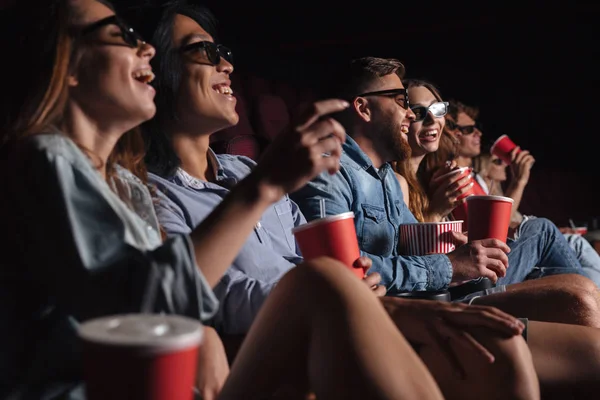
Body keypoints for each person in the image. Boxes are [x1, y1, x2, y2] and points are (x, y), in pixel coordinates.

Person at [0, 2, 469, 399]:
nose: (141, 46)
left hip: (211, 361)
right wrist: (265, 188)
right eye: (119, 35)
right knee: (325, 286)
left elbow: (157, 294)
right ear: (67, 63)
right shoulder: (50, 157)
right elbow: (137, 313)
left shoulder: (121, 184)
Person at [131, 4, 547, 399]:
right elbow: (210, 296)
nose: (227, 64)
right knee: (504, 347)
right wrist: (356, 293)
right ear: (155, 70)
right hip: (296, 339)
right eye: (205, 52)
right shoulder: (151, 190)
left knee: (548, 308)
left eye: (224, 51)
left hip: (359, 310)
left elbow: (325, 258)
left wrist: (362, 280)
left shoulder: (245, 170)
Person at [473, 150, 600, 287]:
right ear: (483, 168)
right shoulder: (479, 194)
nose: (505, 164)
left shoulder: (498, 191)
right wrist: (519, 181)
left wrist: (558, 232)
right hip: (508, 256)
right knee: (557, 235)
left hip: (522, 250)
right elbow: (504, 227)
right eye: (498, 162)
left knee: (589, 266)